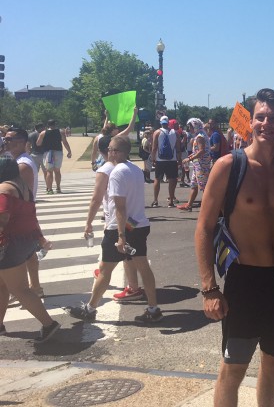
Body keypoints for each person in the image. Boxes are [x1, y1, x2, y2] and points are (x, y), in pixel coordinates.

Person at [195, 89, 274, 407]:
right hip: (243, 280)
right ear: (251, 121)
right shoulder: (228, 166)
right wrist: (209, 288)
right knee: (234, 365)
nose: (265, 123)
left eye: (273, 118)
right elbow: (204, 228)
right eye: (260, 116)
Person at [66, 135, 163, 324]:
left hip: (121, 228)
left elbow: (120, 207)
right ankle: (153, 308)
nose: (108, 152)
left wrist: (120, 236)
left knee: (105, 269)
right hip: (137, 223)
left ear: (118, 152)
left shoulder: (117, 172)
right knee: (143, 267)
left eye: (111, 149)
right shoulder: (135, 169)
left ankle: (90, 308)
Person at [0, 157, 61, 343]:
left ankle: (49, 324)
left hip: (9, 244)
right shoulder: (23, 188)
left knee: (19, 289)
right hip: (24, 241)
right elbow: (31, 217)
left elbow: (2, 221)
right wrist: (40, 238)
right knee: (2, 286)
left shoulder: (4, 190)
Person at [84, 135, 143, 302]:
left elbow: (96, 199)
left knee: (109, 261)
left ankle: (91, 306)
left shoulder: (106, 170)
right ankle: (133, 287)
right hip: (133, 219)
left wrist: (88, 222)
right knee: (127, 255)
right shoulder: (131, 167)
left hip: (117, 221)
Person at [3, 128, 48, 299]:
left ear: (22, 142)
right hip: (22, 213)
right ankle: (33, 288)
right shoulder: (17, 160)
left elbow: (23, 194)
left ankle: (24, 289)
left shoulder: (22, 165)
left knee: (21, 253)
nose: (5, 141)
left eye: (9, 139)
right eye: (5, 138)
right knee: (27, 253)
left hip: (19, 214)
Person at [179, 118, 212, 212]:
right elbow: (198, 151)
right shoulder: (200, 135)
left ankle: (210, 207)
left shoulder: (200, 137)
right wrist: (191, 156)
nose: (189, 129)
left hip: (202, 165)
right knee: (194, 185)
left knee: (204, 187)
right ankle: (189, 205)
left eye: (190, 126)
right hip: (198, 165)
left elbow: (202, 151)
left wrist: (189, 158)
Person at [36, 119, 72, 195]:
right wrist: (69, 151)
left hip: (48, 153)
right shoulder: (60, 132)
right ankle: (58, 188)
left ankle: (49, 189)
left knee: (49, 171)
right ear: (55, 124)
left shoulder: (43, 133)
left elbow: (38, 143)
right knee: (57, 170)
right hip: (58, 152)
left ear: (47, 125)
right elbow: (65, 142)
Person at [151, 115, 178, 208]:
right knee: (172, 180)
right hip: (172, 159)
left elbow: (154, 147)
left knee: (157, 179)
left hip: (160, 160)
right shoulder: (175, 133)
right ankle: (171, 200)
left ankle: (155, 200)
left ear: (161, 123)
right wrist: (179, 159)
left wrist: (153, 158)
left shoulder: (157, 132)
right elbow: (178, 148)